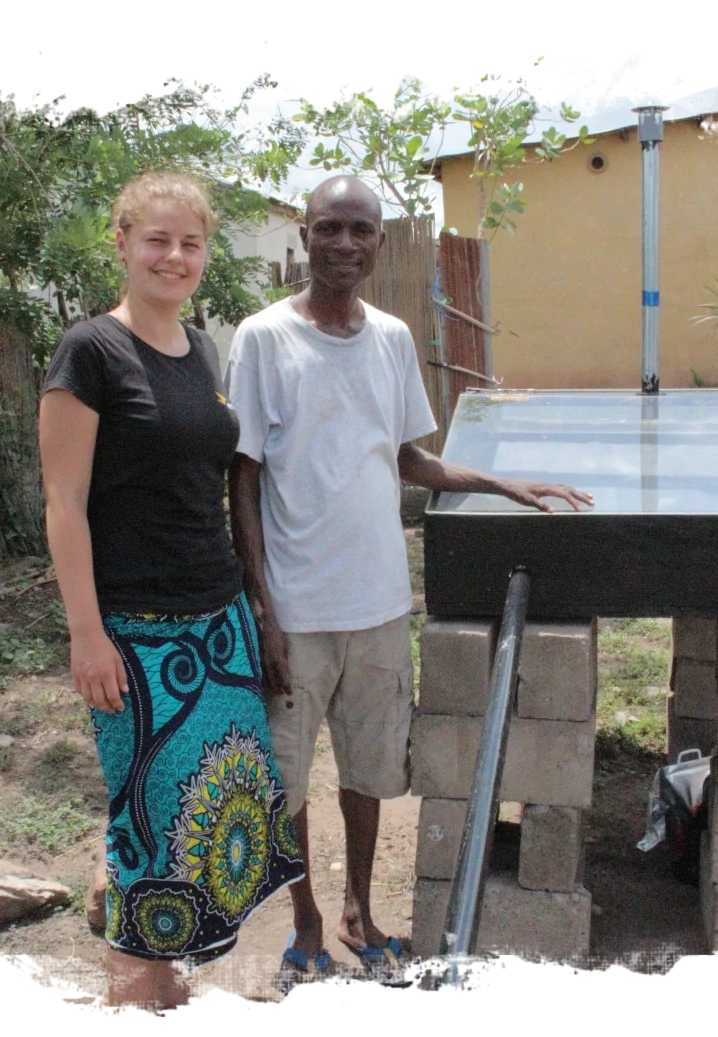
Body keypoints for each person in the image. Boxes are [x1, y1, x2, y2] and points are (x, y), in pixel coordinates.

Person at [224, 174, 593, 994]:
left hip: (381, 604)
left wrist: (507, 485)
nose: (345, 245)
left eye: (361, 230)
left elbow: (407, 458)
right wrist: (262, 603)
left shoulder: (391, 337)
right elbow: (242, 473)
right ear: (306, 234)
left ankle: (359, 909)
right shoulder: (262, 337)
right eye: (330, 229)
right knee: (288, 781)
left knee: (368, 772)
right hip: (296, 607)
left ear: (378, 241)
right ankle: (307, 922)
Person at [38, 171, 305, 1020]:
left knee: (197, 824)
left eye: (189, 243)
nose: (175, 256)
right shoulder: (90, 352)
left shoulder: (199, 349)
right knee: (143, 838)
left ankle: (171, 989)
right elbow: (63, 505)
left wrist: (252, 613)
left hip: (216, 628)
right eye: (157, 239)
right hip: (137, 637)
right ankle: (132, 1006)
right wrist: (87, 634)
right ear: (121, 242)